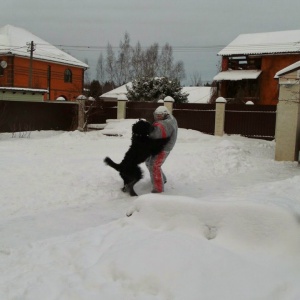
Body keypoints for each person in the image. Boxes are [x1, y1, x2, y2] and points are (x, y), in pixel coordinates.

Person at [145, 106, 178, 193]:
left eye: (160, 115)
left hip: (164, 148)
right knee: (148, 161)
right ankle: (162, 179)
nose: (158, 117)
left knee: (154, 165)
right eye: (157, 115)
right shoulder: (169, 119)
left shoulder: (166, 124)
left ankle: (158, 189)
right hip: (158, 146)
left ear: (165, 114)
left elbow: (156, 134)